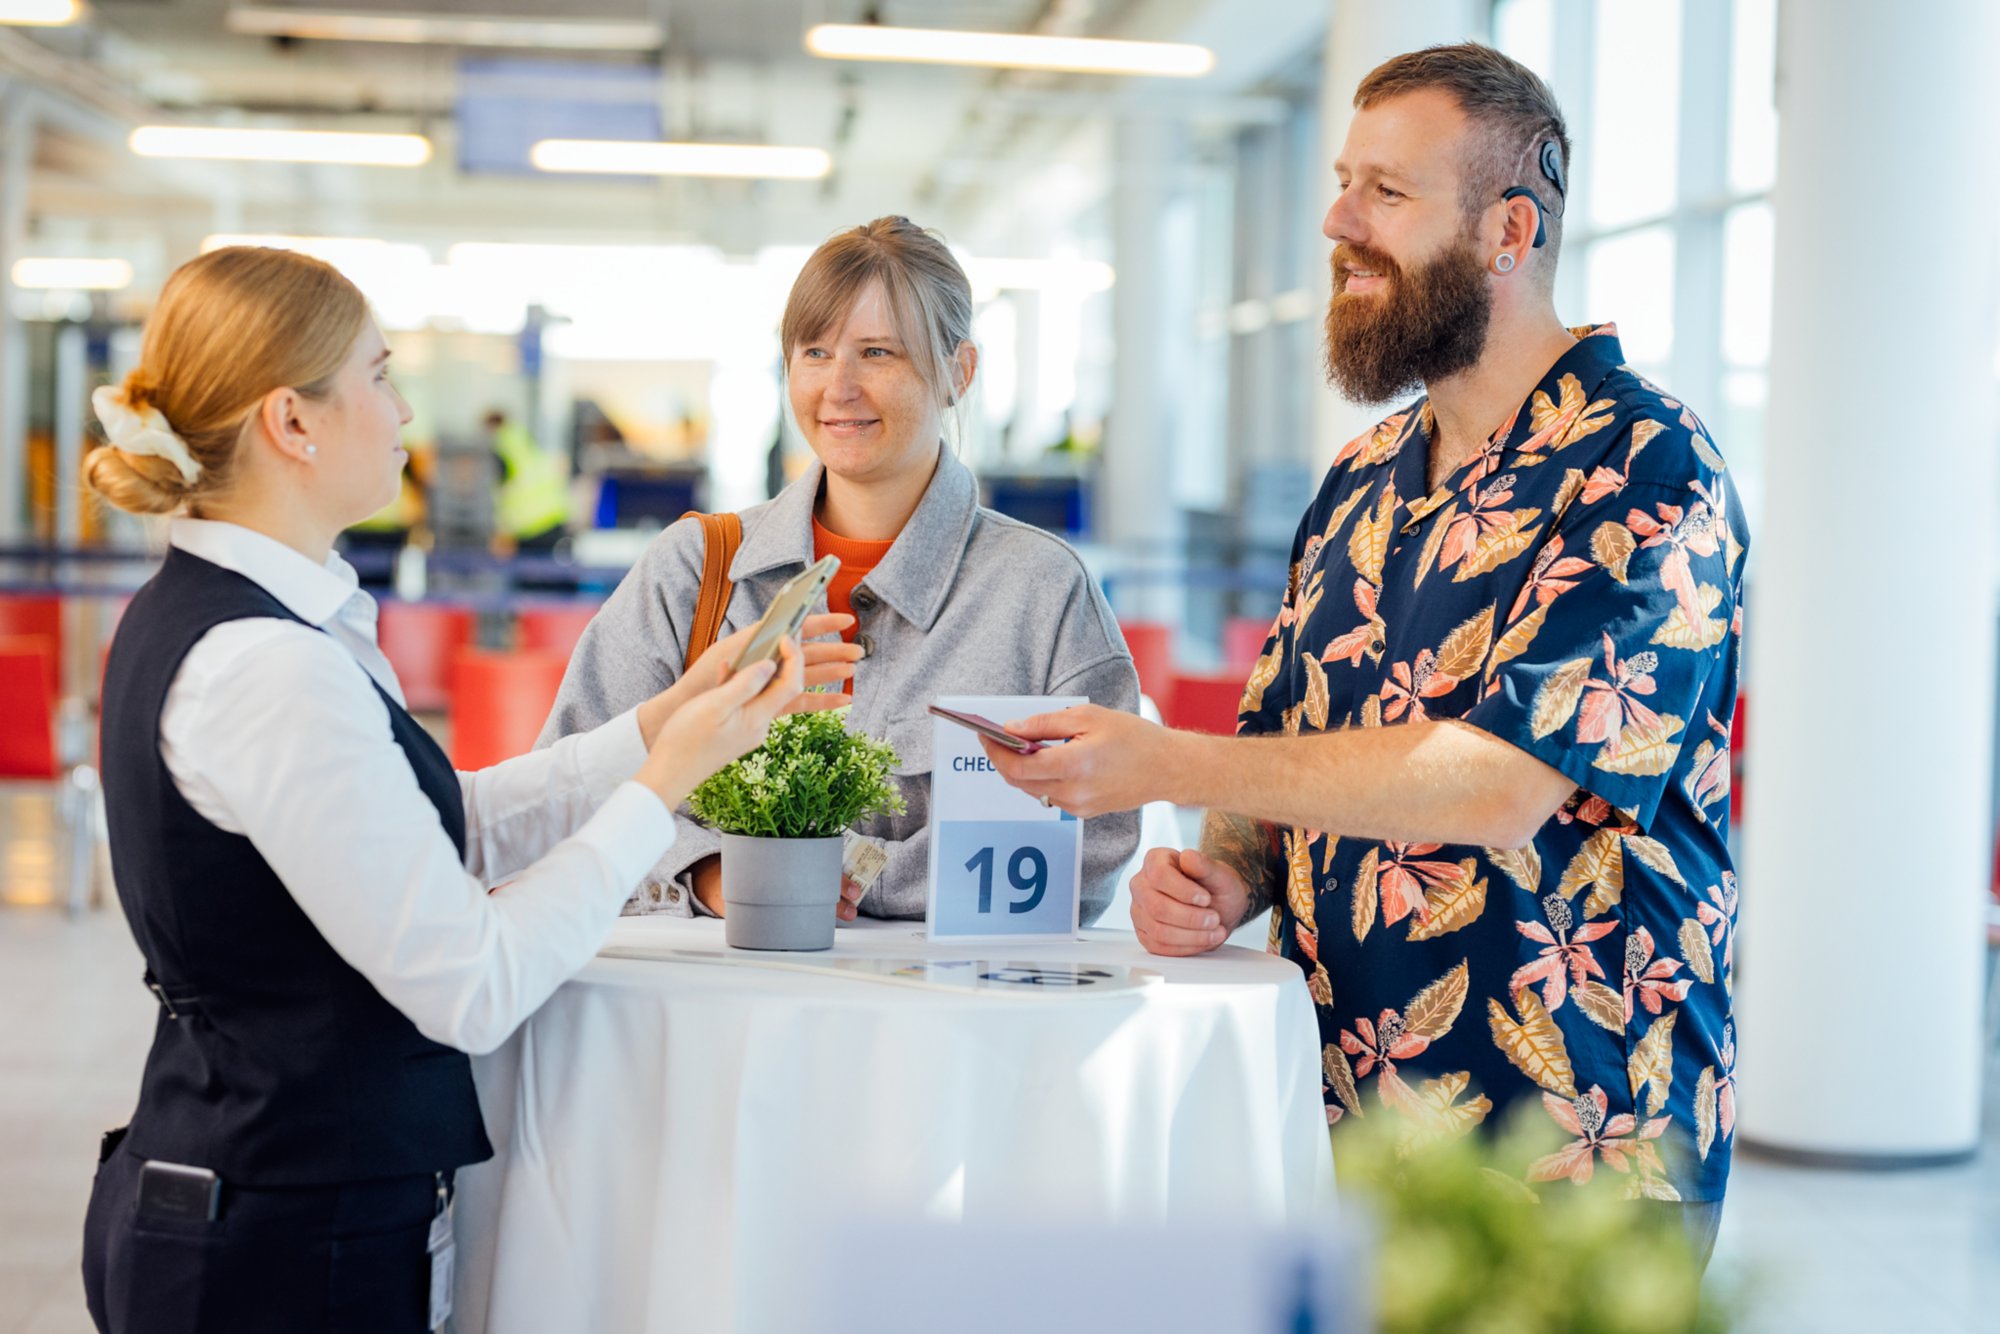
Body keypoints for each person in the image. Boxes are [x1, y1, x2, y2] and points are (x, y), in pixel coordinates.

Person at [980, 45, 1745, 1263]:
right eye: (1342, 182)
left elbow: (1502, 782)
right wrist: (1228, 873)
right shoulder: (1357, 481)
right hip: (1337, 1117)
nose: (1336, 220)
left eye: (1385, 192)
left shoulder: (1648, 466)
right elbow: (1280, 741)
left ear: (1508, 229)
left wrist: (1164, 766)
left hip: (1573, 1147)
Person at [78, 246, 850, 1332]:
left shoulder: (255, 622)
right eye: (381, 376)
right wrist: (663, 789)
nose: (404, 415)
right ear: (291, 423)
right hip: (282, 1247)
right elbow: (471, 981)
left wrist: (654, 728)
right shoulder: (268, 666)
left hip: (270, 1205)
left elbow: (442, 828)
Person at [541, 216, 1140, 923]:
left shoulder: (1042, 592)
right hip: (718, 1015)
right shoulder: (695, 572)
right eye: (815, 351)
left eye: (878, 352)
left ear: (959, 371)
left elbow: (1095, 844)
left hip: (949, 1021)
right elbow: (570, 786)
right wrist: (708, 873)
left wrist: (854, 881)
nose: (840, 387)